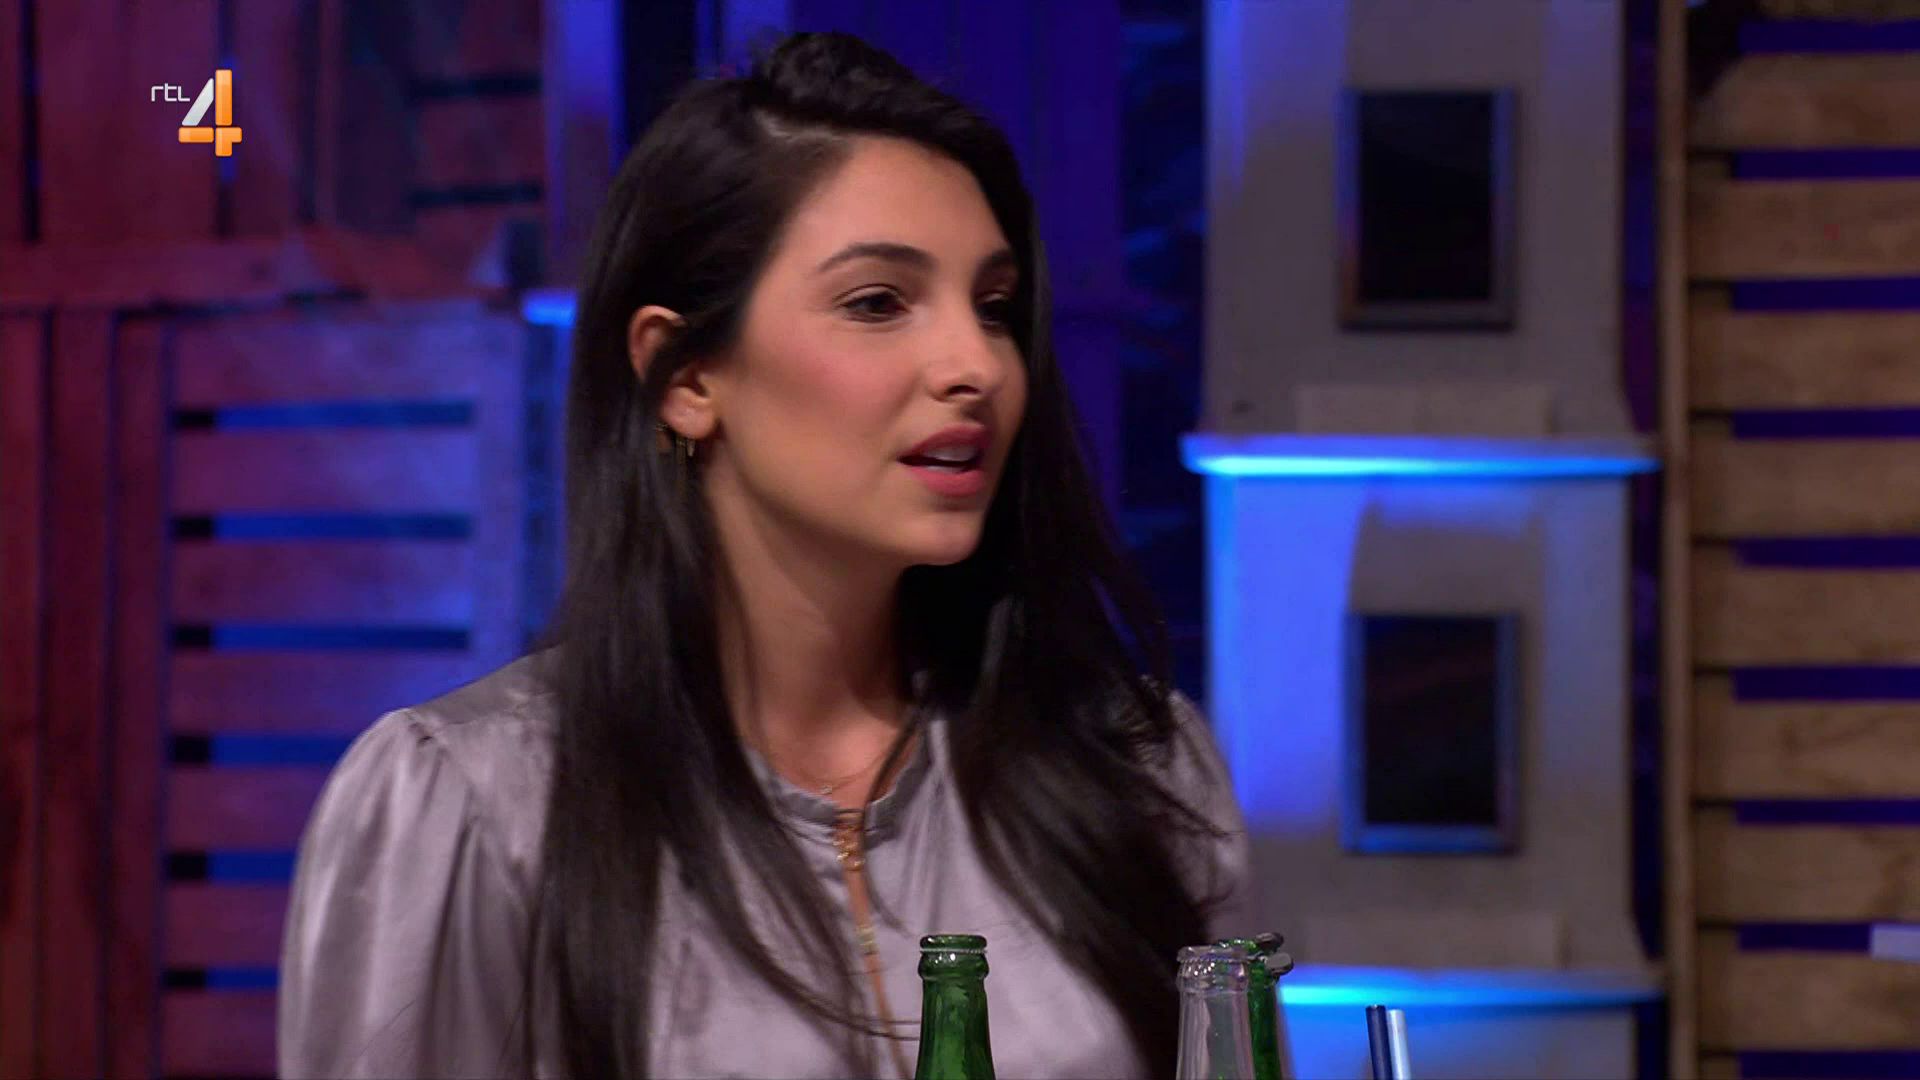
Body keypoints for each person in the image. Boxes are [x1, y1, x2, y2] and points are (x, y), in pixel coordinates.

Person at [277, 31, 1251, 1080]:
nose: (974, 363)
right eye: (878, 303)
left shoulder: (1133, 768)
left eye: (995, 308)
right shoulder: (478, 805)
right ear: (686, 376)